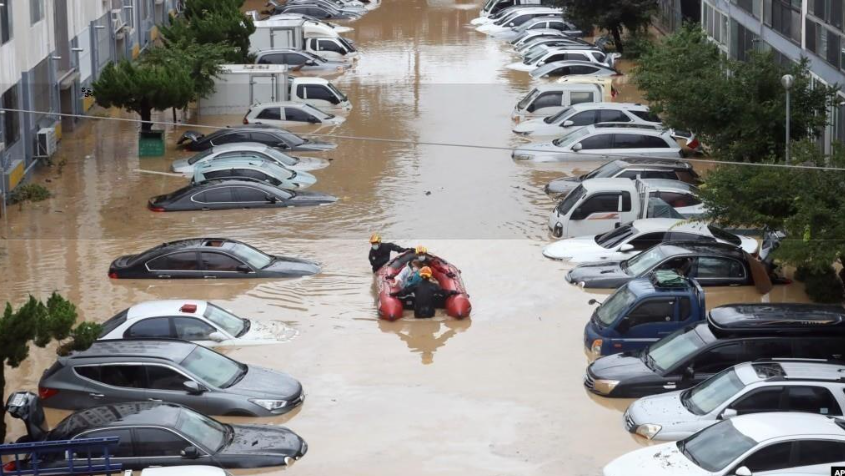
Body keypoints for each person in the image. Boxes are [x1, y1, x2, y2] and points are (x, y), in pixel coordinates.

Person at [392, 266, 458, 318]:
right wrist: (453, 292)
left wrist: (394, 294)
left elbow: (403, 292)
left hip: (418, 314)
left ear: (420, 275)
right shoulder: (434, 286)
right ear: (430, 276)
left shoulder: (415, 285)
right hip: (430, 313)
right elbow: (444, 292)